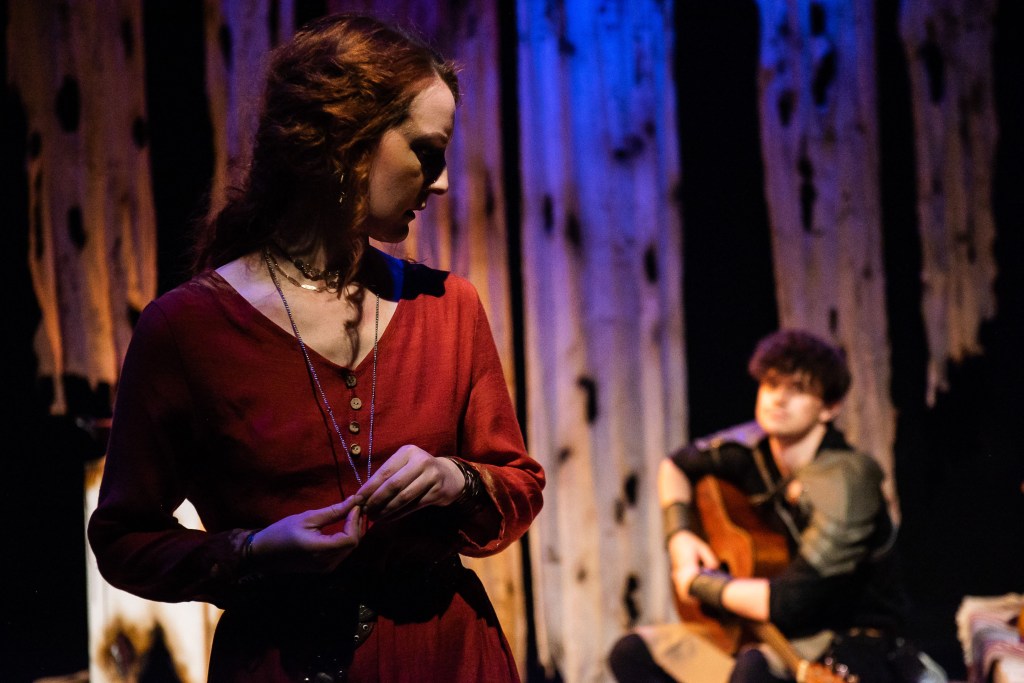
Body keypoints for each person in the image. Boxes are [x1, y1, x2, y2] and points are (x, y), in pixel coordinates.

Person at [88, 13, 544, 683]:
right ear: (346, 142)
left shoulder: (449, 307)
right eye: (427, 151)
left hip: (445, 658)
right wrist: (250, 552)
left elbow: (519, 484)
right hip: (282, 659)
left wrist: (458, 479)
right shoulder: (187, 330)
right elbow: (124, 538)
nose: (442, 182)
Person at [608, 329, 945, 682]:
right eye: (771, 385)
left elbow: (785, 602)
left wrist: (697, 582)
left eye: (798, 389)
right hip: (761, 631)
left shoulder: (848, 480)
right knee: (633, 652)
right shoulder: (750, 451)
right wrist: (680, 538)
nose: (778, 400)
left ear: (830, 408)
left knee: (753, 669)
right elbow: (675, 466)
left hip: (844, 640)